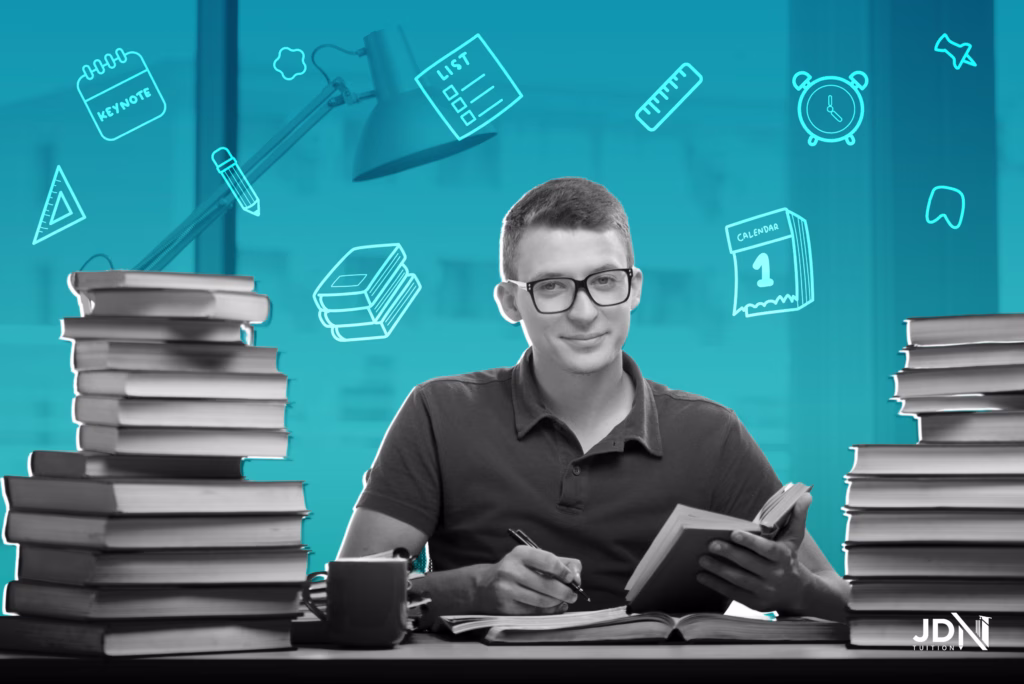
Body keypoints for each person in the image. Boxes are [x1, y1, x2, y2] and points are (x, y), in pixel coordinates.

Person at [338, 177, 851, 628]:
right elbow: (342, 599)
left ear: (635, 289)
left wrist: (793, 589)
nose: (584, 313)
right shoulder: (438, 412)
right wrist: (469, 590)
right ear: (510, 302)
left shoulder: (712, 434)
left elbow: (844, 598)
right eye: (552, 287)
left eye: (605, 281)